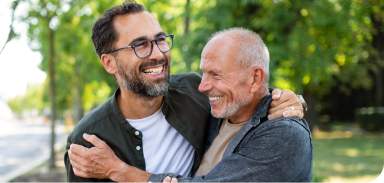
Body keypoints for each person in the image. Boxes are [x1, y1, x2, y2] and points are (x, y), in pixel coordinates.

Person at [65, 1, 307, 183]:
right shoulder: (88, 140)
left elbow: (245, 92)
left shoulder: (192, 91)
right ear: (109, 63)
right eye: (140, 45)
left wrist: (287, 99)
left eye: (160, 40)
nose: (158, 53)